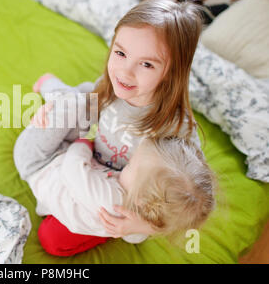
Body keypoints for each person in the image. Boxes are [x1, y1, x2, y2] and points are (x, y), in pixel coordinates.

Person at [30, 0, 207, 248]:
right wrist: (53, 108)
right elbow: (87, 100)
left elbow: (191, 202)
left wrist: (142, 226)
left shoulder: (177, 128)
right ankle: (50, 85)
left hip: (118, 199)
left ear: (173, 71)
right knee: (68, 105)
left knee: (52, 239)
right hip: (90, 165)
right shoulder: (114, 85)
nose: (125, 72)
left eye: (146, 64)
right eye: (120, 53)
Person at [13, 95, 216, 256]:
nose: (126, 164)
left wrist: (84, 144)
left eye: (131, 166)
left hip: (41, 166)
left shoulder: (110, 198)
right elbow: (135, 237)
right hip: (67, 197)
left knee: (69, 105)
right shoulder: (138, 223)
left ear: (139, 196)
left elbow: (72, 170)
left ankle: (53, 90)